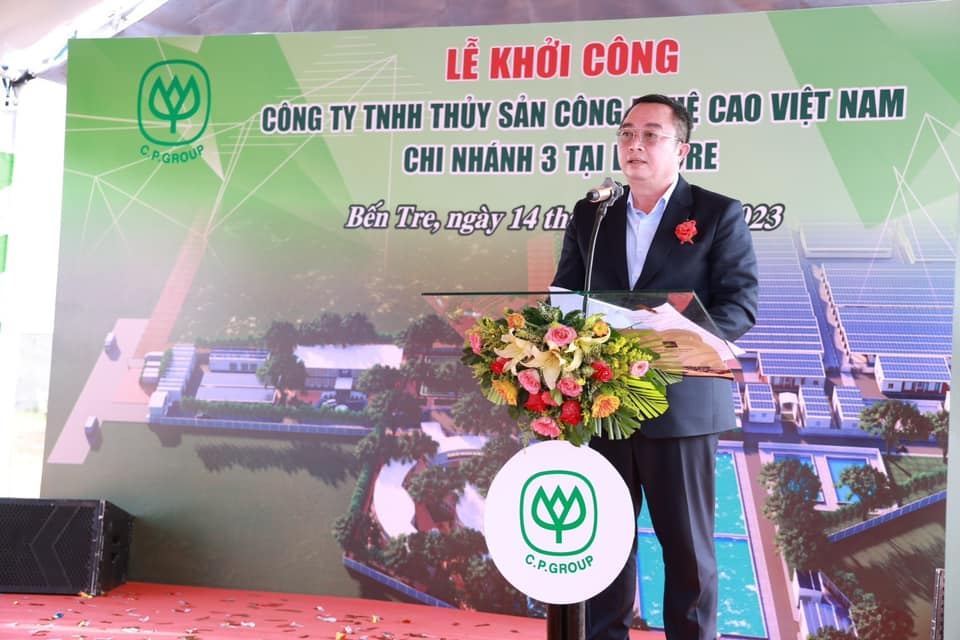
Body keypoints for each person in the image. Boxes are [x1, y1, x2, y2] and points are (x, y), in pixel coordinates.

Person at [551, 94, 759, 640]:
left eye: (650, 134)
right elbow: (564, 294)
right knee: (605, 545)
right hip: (604, 402)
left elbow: (740, 306)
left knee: (687, 553)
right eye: (626, 133)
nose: (634, 145)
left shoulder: (716, 213)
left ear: (681, 149)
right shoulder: (592, 213)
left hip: (681, 403)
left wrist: (676, 335)